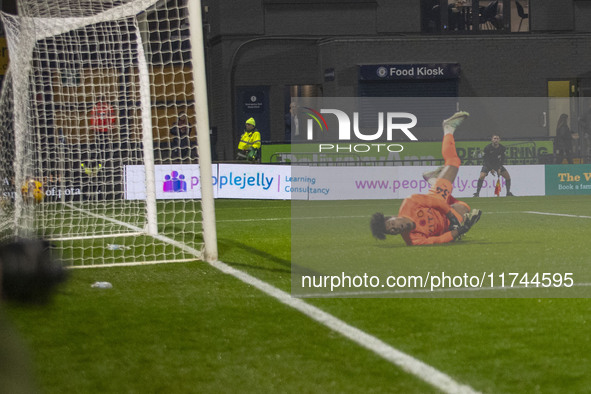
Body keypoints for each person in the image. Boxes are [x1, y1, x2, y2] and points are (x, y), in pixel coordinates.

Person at [370, 112, 482, 246]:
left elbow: (435, 203)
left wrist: (452, 217)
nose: (396, 228)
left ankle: (448, 128)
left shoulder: (410, 203)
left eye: (392, 223)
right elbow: (437, 240)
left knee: (453, 161)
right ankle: (433, 180)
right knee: (465, 208)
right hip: (445, 226)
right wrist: (459, 231)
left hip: (438, 200)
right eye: (393, 231)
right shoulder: (413, 240)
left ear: (392, 216)